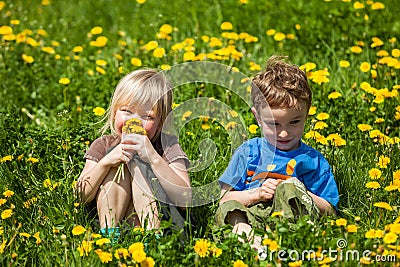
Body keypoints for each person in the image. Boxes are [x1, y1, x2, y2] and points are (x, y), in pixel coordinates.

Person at [215, 56, 339, 248]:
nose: (284, 132)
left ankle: (289, 239)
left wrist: (300, 191)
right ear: (258, 117)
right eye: (273, 124)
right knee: (231, 209)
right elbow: (224, 199)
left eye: (294, 122)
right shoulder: (248, 153)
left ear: (306, 115)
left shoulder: (312, 160)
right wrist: (255, 195)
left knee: (289, 189)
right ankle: (249, 238)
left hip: (294, 222)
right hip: (253, 218)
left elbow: (330, 211)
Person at [75, 69, 191, 239]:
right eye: (127, 111)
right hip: (113, 219)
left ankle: (153, 238)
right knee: (116, 160)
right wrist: (105, 163)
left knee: (139, 163)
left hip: (164, 225)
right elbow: (80, 196)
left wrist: (152, 157)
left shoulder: (167, 146)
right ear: (115, 112)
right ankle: (109, 235)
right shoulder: (103, 144)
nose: (134, 121)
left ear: (161, 122)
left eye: (148, 116)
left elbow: (185, 200)